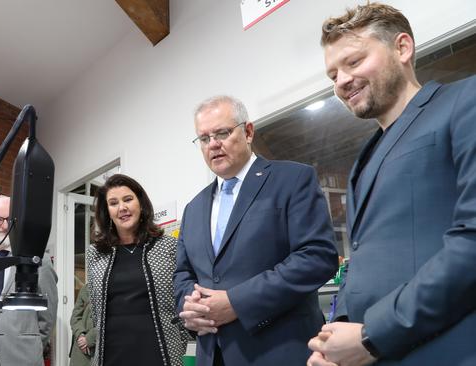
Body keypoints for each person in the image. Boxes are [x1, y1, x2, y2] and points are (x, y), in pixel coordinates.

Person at [307, 3, 476, 366]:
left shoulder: (464, 101)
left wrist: (372, 335)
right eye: (333, 75)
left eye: (353, 62)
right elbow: (359, 261)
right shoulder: (364, 160)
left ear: (402, 48)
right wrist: (336, 336)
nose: (341, 82)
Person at [174, 95, 338, 365]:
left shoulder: (292, 179)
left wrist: (237, 302)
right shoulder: (194, 208)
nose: (213, 144)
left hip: (278, 351)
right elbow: (183, 273)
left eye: (223, 133)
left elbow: (317, 256)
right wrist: (189, 307)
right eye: (204, 138)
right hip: (213, 355)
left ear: (248, 131)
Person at [86, 174, 188, 366]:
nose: (122, 208)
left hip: (160, 353)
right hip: (111, 354)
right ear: (107, 211)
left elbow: (182, 300)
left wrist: (179, 343)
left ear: (140, 203)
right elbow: (95, 308)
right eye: (113, 203)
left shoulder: (168, 246)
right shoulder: (96, 253)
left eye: (128, 199)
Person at [0, 195, 58, 366]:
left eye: (10, 219)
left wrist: (30, 342)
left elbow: (47, 315)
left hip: (23, 357)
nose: (5, 226)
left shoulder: (37, 262)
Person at [69, 285, 96, 366]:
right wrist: (80, 336)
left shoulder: (113, 289)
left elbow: (112, 319)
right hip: (81, 350)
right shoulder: (86, 288)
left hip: (100, 347)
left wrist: (89, 338)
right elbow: (75, 317)